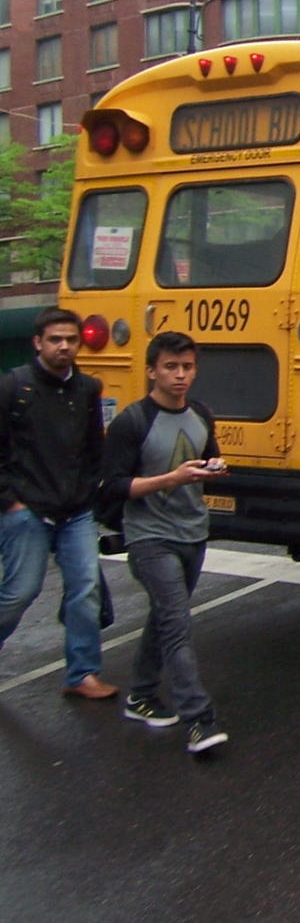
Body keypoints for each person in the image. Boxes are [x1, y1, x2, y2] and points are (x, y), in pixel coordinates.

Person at [101, 332, 230, 752]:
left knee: (164, 617)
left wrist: (214, 468)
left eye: (187, 367)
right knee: (177, 623)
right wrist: (170, 480)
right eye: (171, 367)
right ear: (151, 370)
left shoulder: (200, 414)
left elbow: (207, 456)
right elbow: (113, 486)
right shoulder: (132, 421)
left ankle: (140, 694)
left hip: (193, 532)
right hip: (149, 538)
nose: (180, 376)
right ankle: (199, 720)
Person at [0, 309, 116, 700]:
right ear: (38, 343)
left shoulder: (87, 389)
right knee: (20, 593)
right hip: (27, 509)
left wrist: (90, 491)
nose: (64, 346)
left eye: (70, 339)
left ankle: (83, 674)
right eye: (55, 339)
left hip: (76, 510)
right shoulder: (14, 386)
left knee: (84, 589)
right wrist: (9, 502)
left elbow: (94, 445)